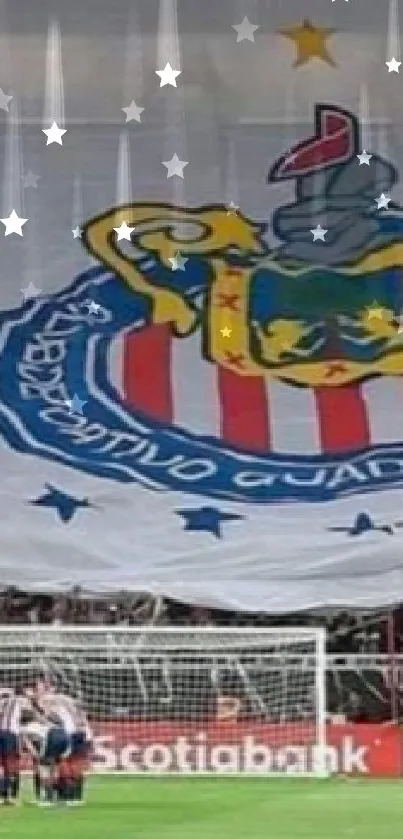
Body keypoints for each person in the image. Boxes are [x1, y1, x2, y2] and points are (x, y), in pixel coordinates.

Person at [0, 689, 32, 805]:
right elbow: (29, 712)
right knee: (11, 766)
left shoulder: (2, 701)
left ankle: (3, 796)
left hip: (2, 732)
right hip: (11, 735)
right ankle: (12, 796)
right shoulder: (20, 700)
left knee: (3, 766)